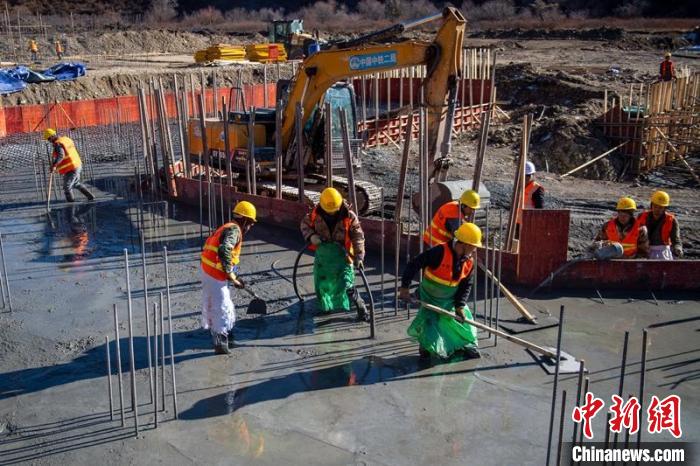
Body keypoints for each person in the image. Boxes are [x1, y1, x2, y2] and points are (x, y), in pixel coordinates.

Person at [400, 223, 482, 361]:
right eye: (473, 246)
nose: (474, 250)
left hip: (450, 297)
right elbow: (414, 264)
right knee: (431, 322)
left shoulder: (469, 262)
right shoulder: (439, 252)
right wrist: (405, 288)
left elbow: (466, 285)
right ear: (465, 244)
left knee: (465, 321)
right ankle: (426, 348)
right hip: (430, 295)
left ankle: (468, 346)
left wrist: (459, 305)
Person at [300, 187, 369, 321]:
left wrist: (359, 256)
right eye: (328, 211)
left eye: (334, 211)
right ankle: (326, 308)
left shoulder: (349, 216)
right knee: (322, 285)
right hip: (323, 258)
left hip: (343, 257)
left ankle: (360, 305)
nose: (331, 214)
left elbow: (358, 237)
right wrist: (311, 236)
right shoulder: (314, 214)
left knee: (346, 283)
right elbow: (304, 225)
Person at [200, 201, 257, 354]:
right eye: (250, 223)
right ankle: (220, 345)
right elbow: (225, 249)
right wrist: (230, 274)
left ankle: (227, 334)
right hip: (214, 275)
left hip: (209, 272)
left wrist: (234, 276)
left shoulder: (227, 227)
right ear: (244, 220)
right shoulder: (235, 230)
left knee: (223, 304)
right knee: (222, 308)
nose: (250, 227)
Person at [45, 128, 95, 202]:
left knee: (67, 186)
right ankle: (90, 196)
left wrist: (54, 165)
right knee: (76, 183)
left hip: (71, 167)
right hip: (77, 164)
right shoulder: (65, 139)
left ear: (52, 136)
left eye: (49, 139)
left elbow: (61, 156)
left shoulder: (58, 144)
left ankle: (71, 203)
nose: (49, 141)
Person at [637, 191, 683, 260]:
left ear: (665, 208)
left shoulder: (671, 220)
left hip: (663, 253)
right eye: (655, 206)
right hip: (644, 252)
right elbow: (634, 234)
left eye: (661, 207)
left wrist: (678, 249)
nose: (657, 209)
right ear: (651, 205)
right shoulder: (641, 216)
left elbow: (676, 240)